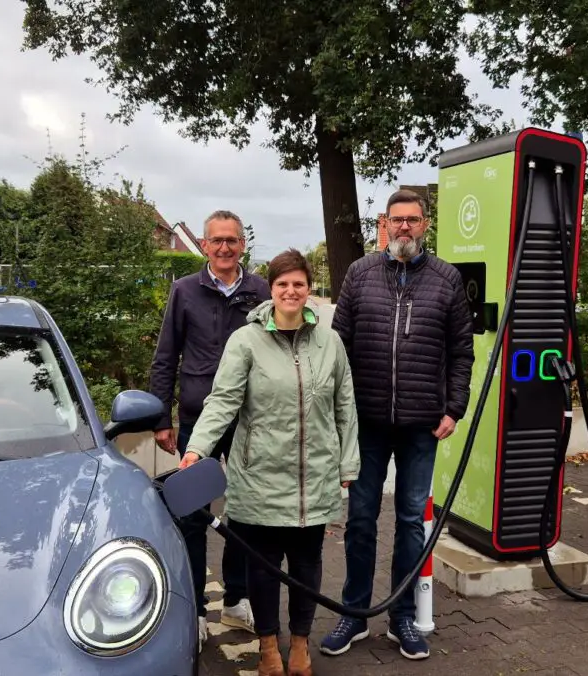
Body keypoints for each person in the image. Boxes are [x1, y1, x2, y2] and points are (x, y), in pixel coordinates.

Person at [180, 248, 359, 676]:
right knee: (262, 568)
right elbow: (223, 400)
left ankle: (299, 643)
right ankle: (267, 647)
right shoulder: (247, 340)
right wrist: (197, 448)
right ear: (271, 289)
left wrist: (348, 464)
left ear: (309, 289)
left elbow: (345, 405)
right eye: (283, 284)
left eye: (299, 283)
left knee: (306, 565)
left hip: (312, 476)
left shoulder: (329, 342)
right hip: (258, 475)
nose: (291, 291)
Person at [320, 189, 474, 661]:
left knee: (411, 522)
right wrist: (333, 408)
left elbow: (461, 353)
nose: (404, 227)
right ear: (383, 224)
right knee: (361, 520)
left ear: (426, 224)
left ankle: (402, 616)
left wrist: (454, 408)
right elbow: (337, 345)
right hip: (365, 421)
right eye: (396, 220)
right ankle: (354, 613)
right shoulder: (360, 274)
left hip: (422, 424)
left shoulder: (447, 280)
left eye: (413, 219)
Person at [148, 209, 269, 649]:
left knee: (245, 512)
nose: (223, 248)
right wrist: (162, 417)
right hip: (198, 420)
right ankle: (196, 610)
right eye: (216, 240)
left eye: (231, 241)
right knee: (194, 515)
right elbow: (166, 356)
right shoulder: (184, 291)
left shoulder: (260, 291)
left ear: (242, 245)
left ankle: (236, 601)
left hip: (249, 419)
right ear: (204, 244)